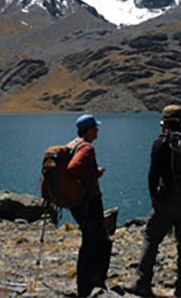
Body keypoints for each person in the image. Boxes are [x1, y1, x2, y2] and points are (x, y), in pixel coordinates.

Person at [124, 105, 181, 297]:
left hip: (168, 200)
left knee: (151, 238)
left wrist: (153, 197)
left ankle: (142, 283)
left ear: (164, 123)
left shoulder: (162, 143)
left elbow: (153, 174)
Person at [67, 114, 112, 297]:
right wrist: (95, 173)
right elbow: (73, 168)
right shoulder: (86, 148)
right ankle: (92, 284)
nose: (98, 131)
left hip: (78, 203)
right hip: (89, 203)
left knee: (92, 241)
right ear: (88, 130)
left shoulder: (73, 144)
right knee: (98, 243)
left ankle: (86, 284)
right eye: (95, 128)